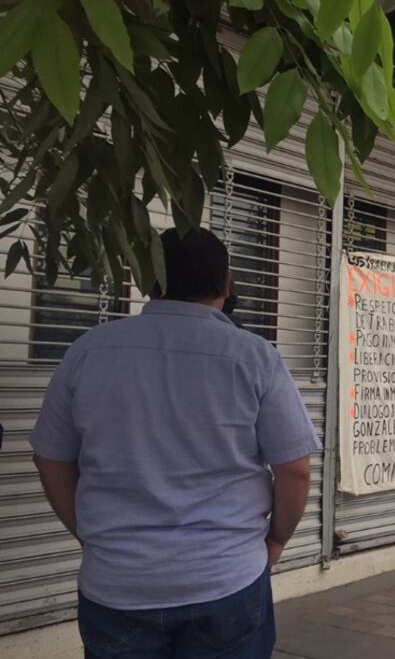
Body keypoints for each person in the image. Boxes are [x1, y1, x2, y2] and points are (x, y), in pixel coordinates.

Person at [30, 228, 321, 657]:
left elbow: (50, 459)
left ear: (150, 282)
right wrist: (276, 542)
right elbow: (294, 470)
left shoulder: (88, 351)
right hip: (226, 578)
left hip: (116, 582)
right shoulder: (255, 357)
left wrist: (93, 535)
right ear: (227, 285)